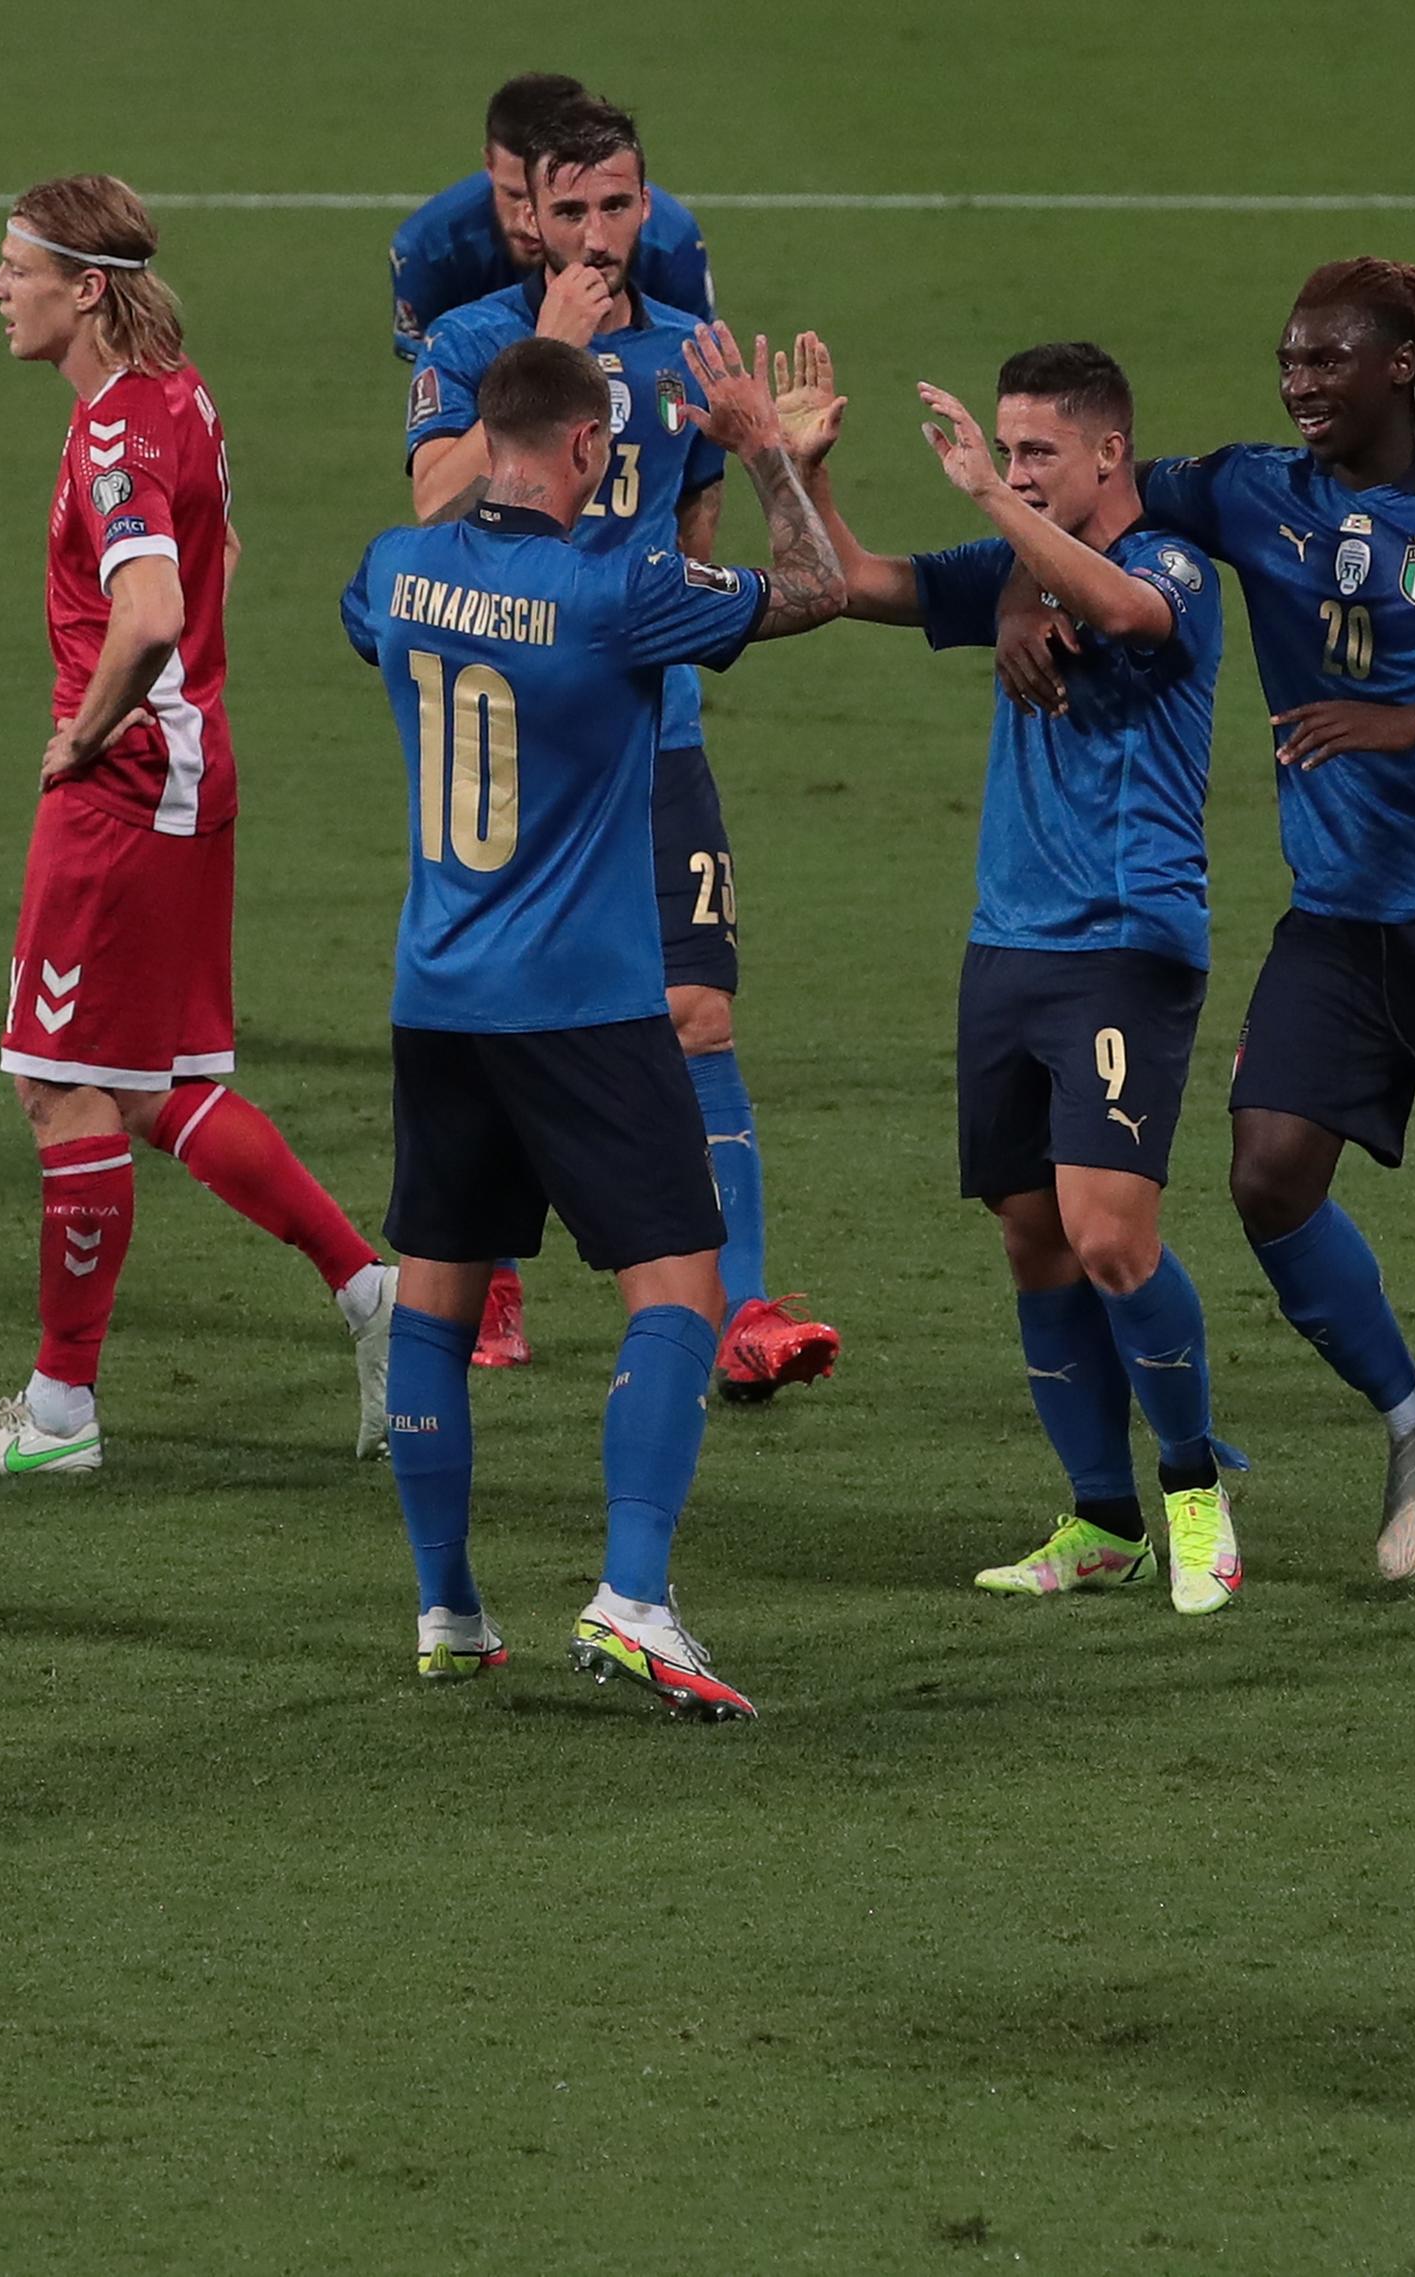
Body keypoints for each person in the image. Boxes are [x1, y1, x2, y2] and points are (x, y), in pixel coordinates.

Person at [1005, 258, 1415, 1618]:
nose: (1298, 384)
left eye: (1327, 362)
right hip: (1340, 917)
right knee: (1269, 1175)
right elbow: (1083, 508)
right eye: (1288, 362)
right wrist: (1023, 594)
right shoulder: (1251, 489)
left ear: (1399, 367)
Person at [342, 325, 846, 1717]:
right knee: (680, 1289)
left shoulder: (397, 567)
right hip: (581, 1003)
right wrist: (762, 455)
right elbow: (813, 585)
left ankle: (448, 1608)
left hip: (435, 997)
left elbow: (363, 610)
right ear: (582, 449)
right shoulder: (619, 591)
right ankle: (632, 1594)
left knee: (437, 1301)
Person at [0, 174, 400, 1482]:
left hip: (128, 794)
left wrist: (88, 732)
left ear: (87, 289)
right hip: (191, 771)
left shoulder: (116, 432)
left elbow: (157, 608)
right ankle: (366, 1290)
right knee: (153, 1083)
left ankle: (60, 1414)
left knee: (59, 1088)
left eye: (16, 268)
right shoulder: (182, 393)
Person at [780, 335, 1244, 1613]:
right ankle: (1102, 1521)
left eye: (1041, 451)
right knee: (1034, 1238)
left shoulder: (1171, 567)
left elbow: (1124, 614)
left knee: (1109, 1235)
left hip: (1122, 943)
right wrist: (801, 476)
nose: (1020, 470)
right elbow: (850, 584)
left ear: (1110, 451)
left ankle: (1197, 1491)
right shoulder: (1012, 572)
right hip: (1009, 947)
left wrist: (990, 498)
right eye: (1008, 447)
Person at [406, 97, 840, 1400]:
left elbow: (702, 554)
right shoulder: (474, 341)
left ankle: (742, 1310)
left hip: (652, 741)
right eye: (572, 211)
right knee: (502, 1018)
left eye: (621, 208)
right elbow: (433, 509)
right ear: (526, 217)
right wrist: (551, 350)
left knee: (696, 1012)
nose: (599, 235)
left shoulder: (687, 356)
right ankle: (483, 1269)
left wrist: (786, 463)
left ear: (647, 208)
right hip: (509, 759)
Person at [387, 71, 713, 364]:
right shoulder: (428, 248)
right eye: (514, 195)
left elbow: (687, 367)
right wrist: (551, 354)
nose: (524, 223)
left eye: (613, 206)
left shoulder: (670, 243)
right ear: (489, 162)